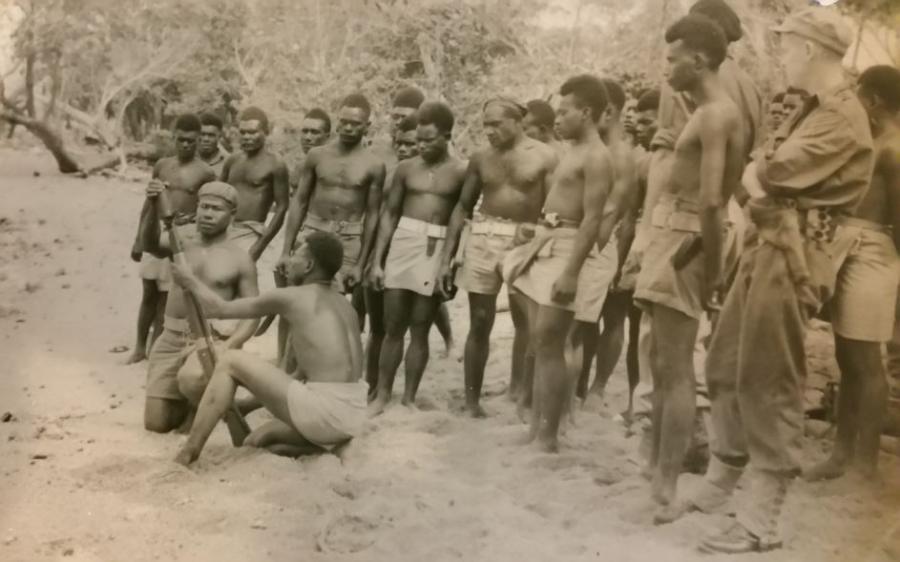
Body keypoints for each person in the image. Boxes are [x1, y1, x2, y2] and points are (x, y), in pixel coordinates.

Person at [685, 9, 874, 554]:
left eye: (788, 46)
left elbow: (764, 174)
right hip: (766, 242)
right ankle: (725, 476)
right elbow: (760, 169)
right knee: (726, 362)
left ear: (812, 50)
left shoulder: (841, 117)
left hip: (795, 255)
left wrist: (759, 180)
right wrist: (759, 180)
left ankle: (759, 520)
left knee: (770, 375)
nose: (783, 55)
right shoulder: (811, 110)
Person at [630, 15, 744, 525]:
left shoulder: (718, 114)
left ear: (698, 59)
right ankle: (656, 472)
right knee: (660, 361)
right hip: (671, 238)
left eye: (673, 58)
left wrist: (714, 271)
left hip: (686, 244)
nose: (667, 68)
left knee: (675, 371)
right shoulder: (703, 112)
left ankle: (665, 489)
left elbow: (714, 203)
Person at [172, 231, 368, 466]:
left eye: (295, 254)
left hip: (324, 413)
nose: (288, 261)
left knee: (231, 360)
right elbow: (299, 376)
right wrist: (247, 405)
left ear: (308, 265)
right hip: (352, 415)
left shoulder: (292, 297)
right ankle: (321, 446)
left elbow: (219, 309)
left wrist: (189, 280)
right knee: (255, 441)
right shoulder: (346, 307)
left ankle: (189, 451)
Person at [503, 75, 623, 453]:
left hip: (569, 248)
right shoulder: (573, 149)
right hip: (548, 240)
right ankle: (536, 429)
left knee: (552, 342)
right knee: (542, 341)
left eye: (565, 111)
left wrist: (572, 271)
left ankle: (549, 437)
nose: (558, 118)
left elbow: (591, 219)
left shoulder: (597, 156)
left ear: (586, 113)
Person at [803, 65, 900, 482]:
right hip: (849, 245)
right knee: (846, 355)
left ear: (875, 100)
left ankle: (864, 462)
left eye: (859, 94)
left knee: (866, 359)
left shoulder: (894, 148)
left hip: (875, 251)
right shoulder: (873, 142)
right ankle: (841, 454)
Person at [440, 97, 558, 418]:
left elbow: (555, 209)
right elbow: (463, 206)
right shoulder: (481, 158)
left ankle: (523, 395)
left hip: (526, 240)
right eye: (485, 125)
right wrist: (448, 255)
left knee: (528, 322)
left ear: (518, 121)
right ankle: (471, 401)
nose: (489, 131)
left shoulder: (546, 157)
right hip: (484, 237)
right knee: (479, 320)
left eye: (496, 124)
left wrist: (540, 241)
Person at [368, 102, 467, 415]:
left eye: (428, 140)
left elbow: (461, 220)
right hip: (403, 243)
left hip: (435, 246)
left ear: (448, 136)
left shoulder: (461, 171)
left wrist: (448, 263)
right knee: (392, 324)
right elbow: (389, 215)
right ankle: (382, 395)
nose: (421, 146)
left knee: (421, 325)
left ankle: (409, 398)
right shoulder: (406, 169)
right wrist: (377, 261)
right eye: (418, 140)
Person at [141, 182, 259, 434]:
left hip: (210, 339)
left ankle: (201, 406)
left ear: (232, 215)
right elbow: (148, 244)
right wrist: (152, 207)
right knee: (156, 424)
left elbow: (252, 314)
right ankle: (204, 401)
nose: (207, 214)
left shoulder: (240, 258)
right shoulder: (181, 239)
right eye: (204, 206)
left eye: (216, 209)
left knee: (192, 378)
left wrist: (230, 345)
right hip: (171, 337)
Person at [278, 94, 385, 367]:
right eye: (344, 122)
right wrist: (285, 249)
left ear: (367, 126)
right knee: (296, 302)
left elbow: (373, 214)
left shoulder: (373, 165)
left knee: (332, 305)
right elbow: (299, 201)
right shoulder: (317, 156)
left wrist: (361, 263)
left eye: (356, 123)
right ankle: (285, 366)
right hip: (312, 230)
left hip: (348, 237)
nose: (349, 128)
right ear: (338, 121)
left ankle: (315, 370)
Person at [584, 88, 659, 415]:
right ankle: (588, 389)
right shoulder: (608, 152)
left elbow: (629, 218)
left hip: (629, 243)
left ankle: (611, 393)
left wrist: (619, 263)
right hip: (610, 238)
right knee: (592, 321)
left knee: (622, 321)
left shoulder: (636, 159)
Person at [127, 114, 216, 365]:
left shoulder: (206, 172)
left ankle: (157, 351)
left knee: (167, 297)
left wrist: (195, 226)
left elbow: (209, 206)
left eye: (191, 141)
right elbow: (149, 200)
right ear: (173, 137)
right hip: (155, 232)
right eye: (181, 140)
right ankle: (138, 348)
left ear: (198, 140)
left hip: (182, 236)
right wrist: (138, 238)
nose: (185, 145)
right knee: (148, 293)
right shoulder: (162, 165)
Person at [571, 78, 636, 406]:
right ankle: (581, 386)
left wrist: (618, 263)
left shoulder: (621, 155)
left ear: (608, 111)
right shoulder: (593, 150)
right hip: (594, 242)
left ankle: (595, 388)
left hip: (609, 245)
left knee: (610, 318)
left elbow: (617, 216)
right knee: (585, 322)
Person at [220, 106, 290, 263]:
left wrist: (259, 246)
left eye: (252, 132)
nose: (246, 137)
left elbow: (281, 208)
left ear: (265, 132)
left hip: (251, 234)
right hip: (223, 231)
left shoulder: (276, 164)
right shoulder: (233, 160)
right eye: (243, 132)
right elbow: (217, 194)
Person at [289, 108, 331, 194]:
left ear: (327, 136)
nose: (307, 138)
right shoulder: (299, 167)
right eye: (305, 131)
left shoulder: (332, 169)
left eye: (314, 132)